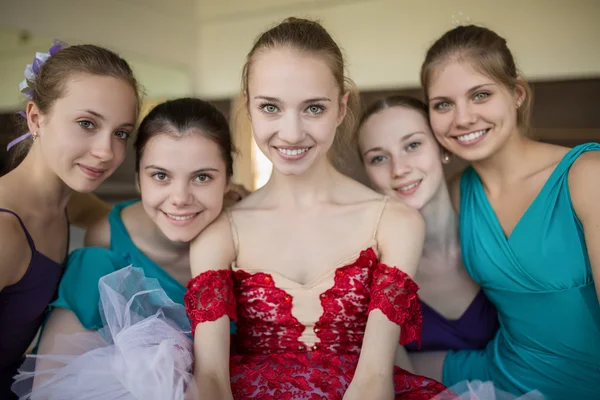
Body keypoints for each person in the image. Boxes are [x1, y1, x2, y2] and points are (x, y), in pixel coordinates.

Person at [185, 17, 447, 399]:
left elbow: (374, 376)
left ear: (341, 108)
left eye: (313, 108)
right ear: (248, 107)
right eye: (271, 107)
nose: (291, 133)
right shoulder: (219, 232)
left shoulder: (394, 222)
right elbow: (209, 378)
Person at [12, 97, 237, 399]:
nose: (180, 197)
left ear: (228, 182)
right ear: (138, 179)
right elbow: (56, 386)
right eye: (160, 176)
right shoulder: (104, 247)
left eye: (202, 177)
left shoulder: (248, 240)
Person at [420, 24, 600, 398]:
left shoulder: (587, 176)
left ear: (516, 93)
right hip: (499, 370)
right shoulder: (456, 195)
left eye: (480, 95)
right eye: (443, 105)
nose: (463, 118)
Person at [0, 41, 140, 399]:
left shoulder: (66, 199)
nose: (107, 152)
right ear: (36, 118)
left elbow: (130, 222)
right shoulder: (4, 231)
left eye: (121, 133)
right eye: (86, 123)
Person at [356, 95, 498, 370]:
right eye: (379, 158)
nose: (399, 169)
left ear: (442, 148)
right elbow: (393, 380)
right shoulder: (367, 273)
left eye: (413, 145)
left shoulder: (499, 233)